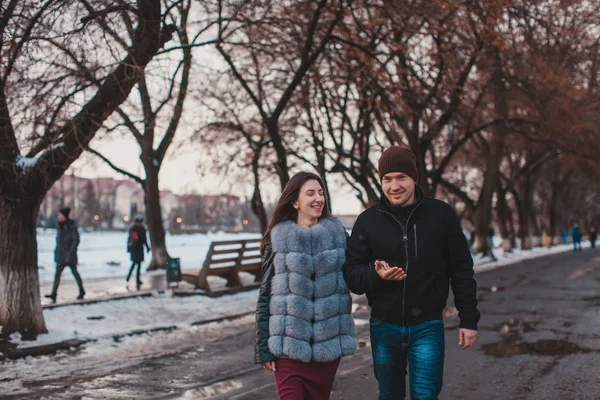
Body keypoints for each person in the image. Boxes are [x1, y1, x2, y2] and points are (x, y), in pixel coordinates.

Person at [343, 146, 480, 400]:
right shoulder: (367, 221)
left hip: (427, 326)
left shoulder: (440, 215)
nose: (394, 185)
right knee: (389, 396)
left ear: (413, 178)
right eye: (387, 179)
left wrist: (468, 318)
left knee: (426, 396)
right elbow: (352, 276)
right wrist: (377, 276)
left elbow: (461, 269)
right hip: (384, 327)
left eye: (401, 177)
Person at [255, 172, 356, 400]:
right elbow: (265, 296)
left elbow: (355, 275)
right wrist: (263, 347)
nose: (318, 198)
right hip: (288, 350)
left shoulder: (338, 236)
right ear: (295, 201)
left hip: (326, 351)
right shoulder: (278, 240)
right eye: (310, 193)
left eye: (321, 193)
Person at [45, 207, 85, 303]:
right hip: (61, 255)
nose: (58, 217)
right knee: (57, 275)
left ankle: (82, 291)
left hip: (69, 256)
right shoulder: (60, 226)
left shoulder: (71, 226)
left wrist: (70, 252)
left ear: (64, 216)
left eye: (60, 215)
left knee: (75, 273)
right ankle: (54, 294)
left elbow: (76, 240)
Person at [126, 216, 150, 290]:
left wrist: (129, 248)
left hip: (134, 249)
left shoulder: (132, 229)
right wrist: (147, 247)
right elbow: (144, 239)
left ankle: (129, 277)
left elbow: (130, 239)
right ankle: (137, 280)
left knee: (134, 263)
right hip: (139, 249)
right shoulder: (142, 229)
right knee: (138, 265)